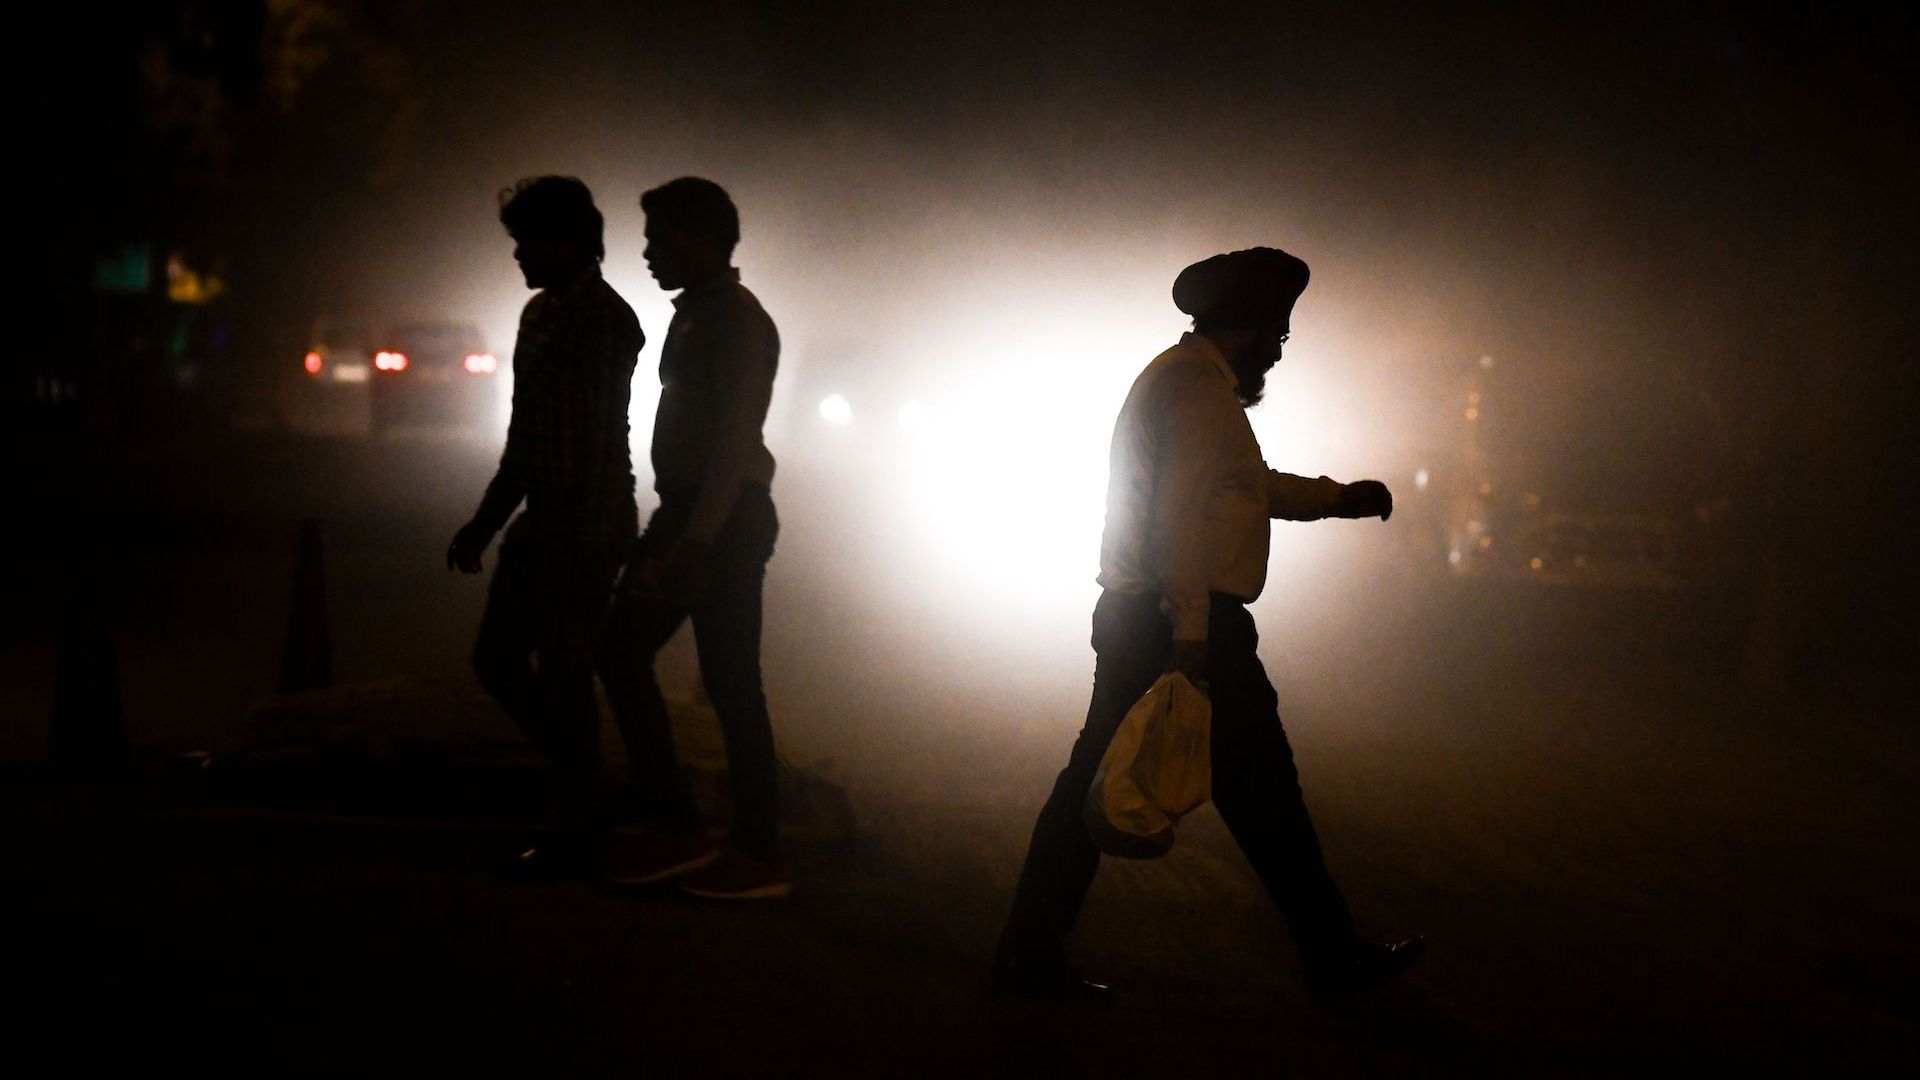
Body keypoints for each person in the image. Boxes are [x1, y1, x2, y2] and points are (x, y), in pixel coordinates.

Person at [994, 247, 1424, 998]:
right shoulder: (1197, 393)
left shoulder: (1184, 380)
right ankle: (1332, 958)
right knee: (1258, 794)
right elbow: (1184, 528)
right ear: (1253, 327)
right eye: (1278, 336)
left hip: (1148, 617)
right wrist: (1191, 639)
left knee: (1123, 783)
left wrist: (1335, 498)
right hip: (1181, 625)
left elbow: (1237, 489)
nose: (1280, 352)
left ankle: (1028, 953)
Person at [595, 177, 789, 900]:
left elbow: (734, 444)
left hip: (719, 517)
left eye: (657, 239)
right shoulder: (701, 316)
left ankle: (731, 844)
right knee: (717, 679)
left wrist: (695, 541)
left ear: (698, 240)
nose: (645, 253)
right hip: (703, 515)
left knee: (673, 666)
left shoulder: (735, 321)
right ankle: (717, 838)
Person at [447, 176, 644, 876]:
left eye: (528, 242)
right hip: (546, 519)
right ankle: (589, 788)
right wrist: (489, 520)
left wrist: (578, 538)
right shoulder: (539, 317)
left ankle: (582, 813)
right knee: (498, 662)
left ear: (568, 242)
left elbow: (594, 444)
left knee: (564, 671)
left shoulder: (605, 322)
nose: (519, 256)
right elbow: (527, 435)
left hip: (586, 522)